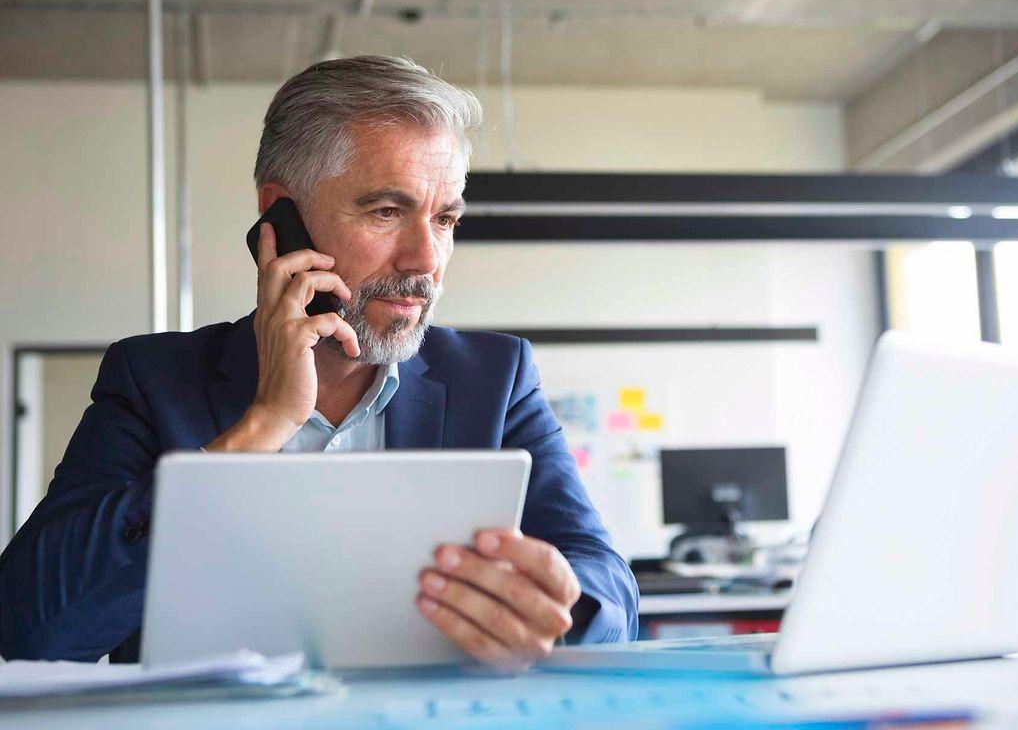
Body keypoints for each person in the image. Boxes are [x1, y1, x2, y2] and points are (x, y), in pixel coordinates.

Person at [0, 56, 637, 670]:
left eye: (444, 219)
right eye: (387, 211)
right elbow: (29, 630)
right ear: (283, 214)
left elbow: (611, 593)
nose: (425, 259)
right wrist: (260, 427)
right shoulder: (153, 379)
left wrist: (560, 609)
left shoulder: (494, 379)